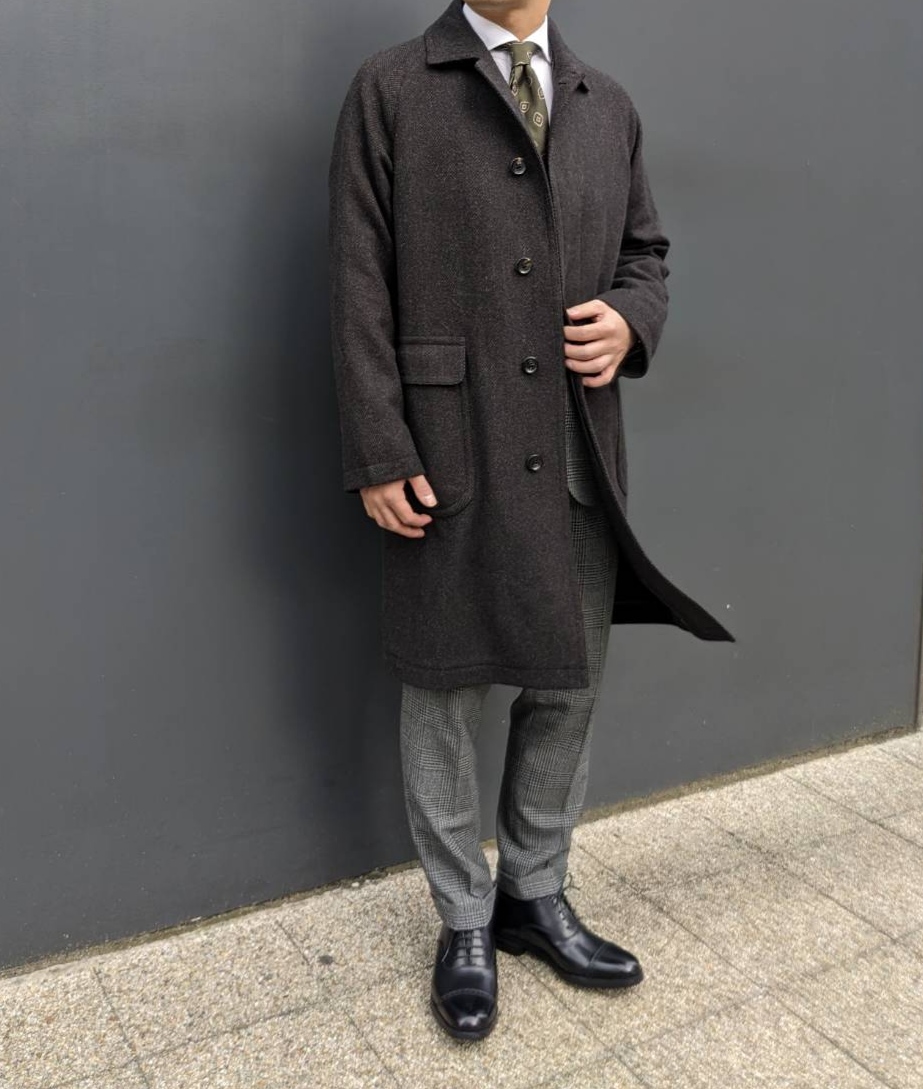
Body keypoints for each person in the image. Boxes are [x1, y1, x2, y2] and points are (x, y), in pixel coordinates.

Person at [328, 0, 734, 1042]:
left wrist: (630, 321)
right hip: (448, 445)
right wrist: (380, 448)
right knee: (442, 689)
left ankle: (533, 894)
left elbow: (646, 254)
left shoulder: (608, 105)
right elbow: (356, 278)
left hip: (575, 451)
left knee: (568, 687)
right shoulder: (391, 87)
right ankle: (462, 917)